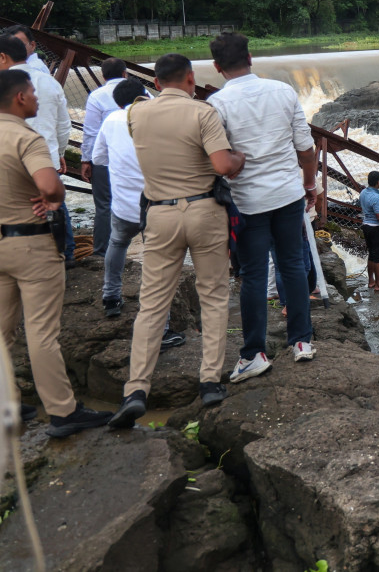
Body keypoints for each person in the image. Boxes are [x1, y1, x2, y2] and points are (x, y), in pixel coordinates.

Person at [106, 54, 246, 429]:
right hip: (204, 212)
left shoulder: (136, 114)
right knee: (213, 296)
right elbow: (222, 165)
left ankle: (136, 390)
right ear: (190, 78)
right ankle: (210, 382)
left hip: (159, 214)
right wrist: (239, 159)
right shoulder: (203, 112)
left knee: (152, 304)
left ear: (155, 82)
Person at [0, 70, 113, 437]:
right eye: (33, 93)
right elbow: (49, 186)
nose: (37, 98)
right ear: (20, 98)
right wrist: (52, 198)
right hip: (31, 244)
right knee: (42, 332)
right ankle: (63, 411)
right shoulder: (26, 138)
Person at [206, 32, 318, 382]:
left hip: (247, 202)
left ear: (217, 67)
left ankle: (254, 354)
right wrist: (310, 185)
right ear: (250, 58)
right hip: (288, 195)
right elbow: (306, 149)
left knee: (253, 275)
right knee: (292, 265)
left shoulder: (217, 104)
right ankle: (302, 341)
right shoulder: (283, 91)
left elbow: (220, 161)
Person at [92, 78, 182, 356]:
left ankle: (110, 297)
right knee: (158, 264)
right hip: (155, 205)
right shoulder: (157, 119)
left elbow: (98, 159)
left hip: (123, 206)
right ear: (144, 95)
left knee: (118, 243)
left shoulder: (110, 121)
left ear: (117, 103)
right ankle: (162, 329)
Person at [0, 35, 73, 267]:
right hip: (46, 157)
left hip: (9, 160)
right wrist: (60, 151)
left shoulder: (3, 85)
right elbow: (64, 124)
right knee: (54, 204)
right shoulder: (48, 81)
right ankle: (65, 252)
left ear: (2, 57)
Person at [81, 58, 130, 257]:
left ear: (103, 76)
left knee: (103, 205)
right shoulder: (143, 93)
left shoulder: (97, 96)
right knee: (142, 202)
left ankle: (102, 250)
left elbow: (90, 132)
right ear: (125, 73)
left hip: (105, 158)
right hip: (134, 159)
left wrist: (86, 160)